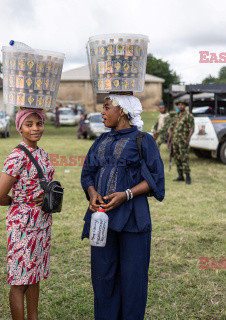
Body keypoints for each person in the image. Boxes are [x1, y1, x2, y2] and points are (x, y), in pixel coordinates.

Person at [81, 94, 165, 320]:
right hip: (101, 221)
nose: (103, 112)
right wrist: (92, 193)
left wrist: (127, 194)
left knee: (133, 278)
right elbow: (87, 173)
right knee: (103, 277)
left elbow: (155, 179)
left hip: (132, 221)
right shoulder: (100, 141)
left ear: (123, 111)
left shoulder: (143, 140)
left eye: (107, 107)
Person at [0, 108, 54, 320]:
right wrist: (20, 201)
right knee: (20, 280)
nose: (35, 128)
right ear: (19, 128)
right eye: (29, 124)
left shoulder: (42, 153)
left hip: (42, 223)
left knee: (34, 276)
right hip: (23, 226)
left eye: (39, 123)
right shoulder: (17, 157)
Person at [168, 101, 194, 184]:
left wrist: (188, 139)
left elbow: (192, 128)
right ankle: (180, 176)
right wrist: (169, 141)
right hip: (175, 141)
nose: (180, 106)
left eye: (182, 104)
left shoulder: (188, 116)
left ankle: (188, 176)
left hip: (183, 141)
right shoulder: (175, 116)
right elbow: (171, 130)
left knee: (184, 158)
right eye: (179, 105)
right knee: (177, 158)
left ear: (185, 106)